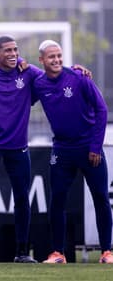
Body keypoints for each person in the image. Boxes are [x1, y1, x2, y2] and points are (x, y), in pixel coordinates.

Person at [33, 40, 113, 264]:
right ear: (42, 60)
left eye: (59, 56)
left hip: (89, 149)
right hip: (62, 150)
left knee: (100, 198)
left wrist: (96, 146)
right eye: (51, 57)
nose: (56, 60)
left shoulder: (79, 78)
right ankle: (58, 253)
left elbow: (101, 109)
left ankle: (107, 251)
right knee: (57, 200)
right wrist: (19, 61)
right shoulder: (38, 84)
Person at [0, 36, 42, 263]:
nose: (13, 54)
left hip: (18, 146)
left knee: (22, 197)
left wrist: (77, 71)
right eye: (8, 51)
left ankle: (22, 252)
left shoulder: (28, 73)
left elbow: (55, 77)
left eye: (16, 50)